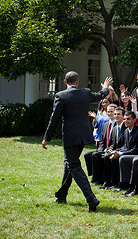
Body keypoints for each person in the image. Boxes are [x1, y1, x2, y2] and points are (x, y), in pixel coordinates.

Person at [42, 71, 113, 212]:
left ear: (64, 82)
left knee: (73, 164)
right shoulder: (85, 93)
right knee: (69, 163)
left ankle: (91, 198)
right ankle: (61, 195)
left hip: (71, 136)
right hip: (83, 136)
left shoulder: (60, 96)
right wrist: (106, 87)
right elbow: (100, 95)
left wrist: (46, 138)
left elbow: (54, 118)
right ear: (77, 82)